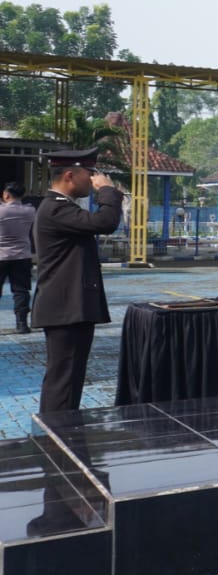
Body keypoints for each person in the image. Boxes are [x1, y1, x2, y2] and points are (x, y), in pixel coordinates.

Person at [31, 149, 123, 413]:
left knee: (68, 379)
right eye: (90, 174)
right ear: (70, 175)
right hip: (64, 308)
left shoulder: (61, 208)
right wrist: (107, 191)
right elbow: (105, 222)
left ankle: (59, 432)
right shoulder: (55, 208)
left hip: (69, 306)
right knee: (64, 381)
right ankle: (55, 438)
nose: (93, 179)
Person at [0, 182, 36, 334]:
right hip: (22, 255)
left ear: (6, 194)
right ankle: (22, 323)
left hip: (1, 255)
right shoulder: (29, 211)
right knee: (21, 290)